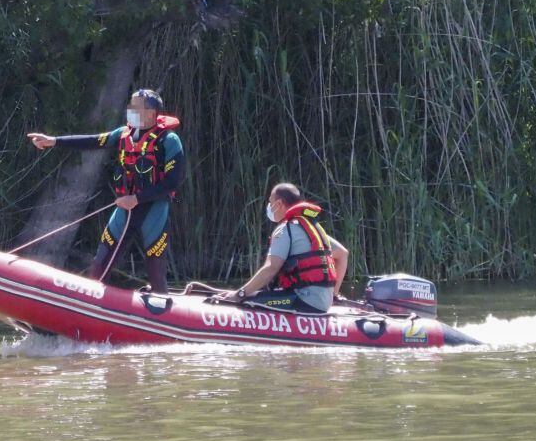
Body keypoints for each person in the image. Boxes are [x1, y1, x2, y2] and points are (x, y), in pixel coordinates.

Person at [27, 89, 185, 294]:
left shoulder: (169, 141)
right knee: (101, 262)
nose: (130, 110)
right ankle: (90, 306)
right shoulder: (123, 134)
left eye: (136, 106)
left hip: (153, 208)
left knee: (156, 268)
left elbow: (173, 182)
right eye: (131, 105)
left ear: (151, 113)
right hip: (125, 208)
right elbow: (93, 141)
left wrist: (136, 198)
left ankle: (162, 307)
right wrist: (54, 141)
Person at [213, 183, 349, 313]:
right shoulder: (314, 229)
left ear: (278, 204)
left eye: (270, 202)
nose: (269, 207)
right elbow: (343, 254)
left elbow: (271, 269)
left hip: (304, 300)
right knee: (258, 295)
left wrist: (239, 294)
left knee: (247, 301)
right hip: (322, 303)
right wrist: (333, 295)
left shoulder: (285, 230)